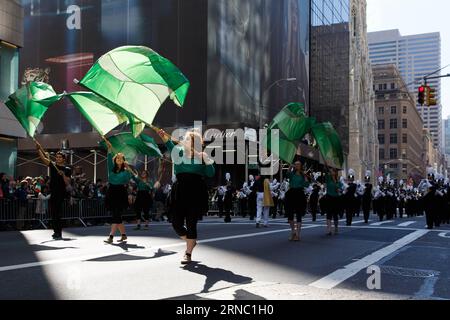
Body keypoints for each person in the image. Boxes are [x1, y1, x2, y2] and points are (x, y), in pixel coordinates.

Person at [157, 128, 215, 264]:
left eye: (190, 140)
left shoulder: (201, 156)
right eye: (186, 139)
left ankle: (188, 253)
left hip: (196, 191)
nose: (186, 141)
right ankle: (191, 240)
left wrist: (207, 161)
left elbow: (210, 173)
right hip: (180, 190)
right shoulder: (178, 152)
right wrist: (162, 135)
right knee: (176, 222)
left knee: (191, 223)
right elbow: (169, 145)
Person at [36, 142, 71, 239]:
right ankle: (56, 231)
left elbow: (68, 182)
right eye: (57, 157)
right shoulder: (53, 165)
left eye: (60, 157)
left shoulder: (67, 169)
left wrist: (63, 174)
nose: (58, 158)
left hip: (61, 192)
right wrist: (38, 149)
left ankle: (58, 232)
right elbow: (43, 159)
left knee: (57, 212)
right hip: (53, 191)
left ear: (64, 159)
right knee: (53, 212)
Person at [103, 140, 134, 244]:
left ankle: (111, 236)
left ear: (124, 160)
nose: (119, 159)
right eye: (117, 157)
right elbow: (108, 158)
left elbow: (128, 178)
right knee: (117, 215)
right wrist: (109, 148)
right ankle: (124, 235)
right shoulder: (111, 169)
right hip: (111, 192)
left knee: (116, 215)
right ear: (115, 159)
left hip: (120, 192)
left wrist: (128, 169)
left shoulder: (126, 172)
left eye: (121, 158)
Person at [285, 161, 309, 241]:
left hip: (299, 194)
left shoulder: (303, 175)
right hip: (291, 194)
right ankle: (293, 232)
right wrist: (290, 166)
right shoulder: (292, 174)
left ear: (301, 166)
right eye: (295, 164)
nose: (297, 165)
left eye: (298, 164)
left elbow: (306, 185)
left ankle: (298, 234)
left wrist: (305, 176)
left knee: (299, 214)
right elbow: (287, 174)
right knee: (290, 215)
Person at [325, 168, 343, 236]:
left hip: (336, 198)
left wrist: (338, 188)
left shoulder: (338, 182)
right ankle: (329, 229)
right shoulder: (328, 179)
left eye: (332, 171)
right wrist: (328, 169)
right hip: (329, 197)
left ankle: (336, 227)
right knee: (328, 214)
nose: (331, 172)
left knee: (335, 214)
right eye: (330, 171)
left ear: (335, 173)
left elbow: (339, 190)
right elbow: (326, 172)